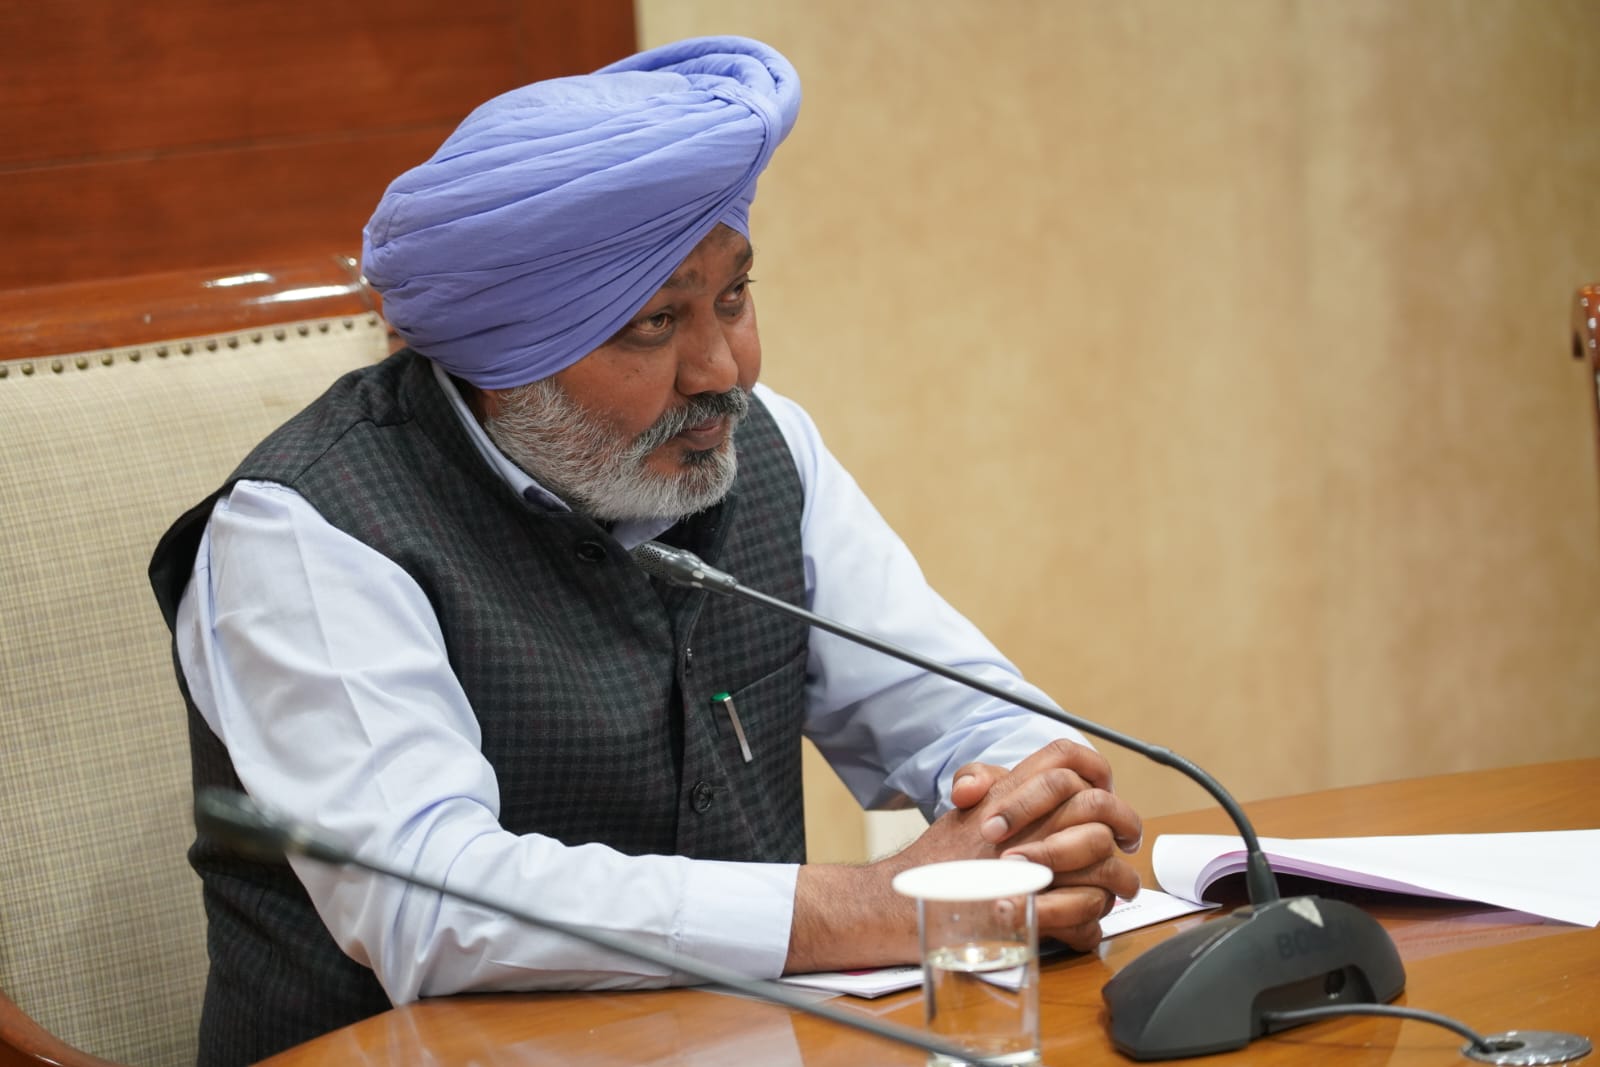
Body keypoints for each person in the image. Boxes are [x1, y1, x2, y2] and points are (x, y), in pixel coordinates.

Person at [149, 35, 1143, 1066]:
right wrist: (866, 906)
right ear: (506, 355)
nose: (723, 369)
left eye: (733, 297)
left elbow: (960, 709)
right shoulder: (308, 528)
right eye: (655, 321)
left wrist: (1035, 814)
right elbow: (434, 907)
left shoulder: (765, 447)